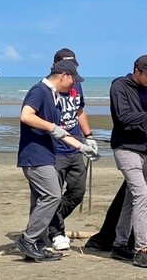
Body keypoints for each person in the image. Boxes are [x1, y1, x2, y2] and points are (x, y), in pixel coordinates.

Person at [15, 59, 98, 262]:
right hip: (35, 156)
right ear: (63, 76)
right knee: (53, 196)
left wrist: (84, 146)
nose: (74, 85)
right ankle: (28, 239)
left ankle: (36, 246)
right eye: (72, 80)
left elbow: (62, 133)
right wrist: (51, 127)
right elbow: (25, 116)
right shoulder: (40, 91)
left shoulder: (54, 96)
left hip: (47, 155)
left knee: (40, 201)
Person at [109, 54, 147, 269]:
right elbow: (123, 117)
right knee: (142, 195)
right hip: (125, 149)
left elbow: (143, 117)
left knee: (131, 197)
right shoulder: (119, 87)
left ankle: (120, 244)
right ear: (137, 71)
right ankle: (142, 250)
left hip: (145, 149)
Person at [47, 48, 98, 251]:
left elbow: (80, 112)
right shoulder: (48, 88)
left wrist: (89, 137)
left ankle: (48, 222)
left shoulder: (76, 85)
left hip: (75, 148)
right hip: (55, 150)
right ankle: (57, 232)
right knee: (53, 194)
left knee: (77, 191)